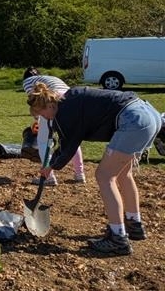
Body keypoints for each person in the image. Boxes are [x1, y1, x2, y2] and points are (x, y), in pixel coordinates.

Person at [29, 82, 162, 255]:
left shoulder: (65, 112)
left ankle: (118, 238)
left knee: (104, 176)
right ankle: (134, 225)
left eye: (41, 114)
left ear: (49, 105)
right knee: (123, 174)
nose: (44, 119)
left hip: (133, 121)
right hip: (148, 115)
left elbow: (68, 144)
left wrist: (51, 166)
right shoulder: (71, 99)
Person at [22, 67, 85, 185]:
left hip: (51, 106)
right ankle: (79, 174)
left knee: (43, 141)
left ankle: (49, 177)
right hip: (70, 104)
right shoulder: (53, 78)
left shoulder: (27, 82)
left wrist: (38, 120)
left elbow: (36, 103)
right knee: (72, 139)